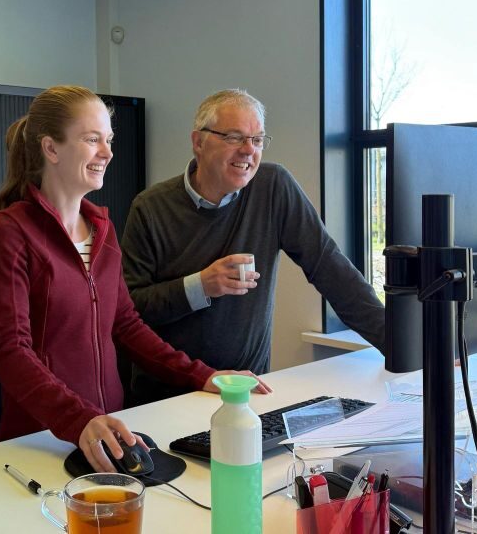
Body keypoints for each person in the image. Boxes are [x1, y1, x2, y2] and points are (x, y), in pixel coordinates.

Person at [0, 85, 262, 473]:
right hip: (40, 439)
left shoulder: (102, 229)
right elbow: (10, 351)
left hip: (109, 432)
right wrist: (78, 419)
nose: (108, 152)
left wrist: (203, 375)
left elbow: (126, 325)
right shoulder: (11, 232)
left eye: (109, 140)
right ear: (51, 148)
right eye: (92, 139)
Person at [121, 88, 385, 403]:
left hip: (248, 390)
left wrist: (403, 348)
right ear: (198, 142)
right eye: (234, 137)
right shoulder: (150, 208)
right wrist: (200, 286)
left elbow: (331, 269)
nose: (249, 150)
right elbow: (129, 309)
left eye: (257, 140)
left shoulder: (273, 187)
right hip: (167, 398)